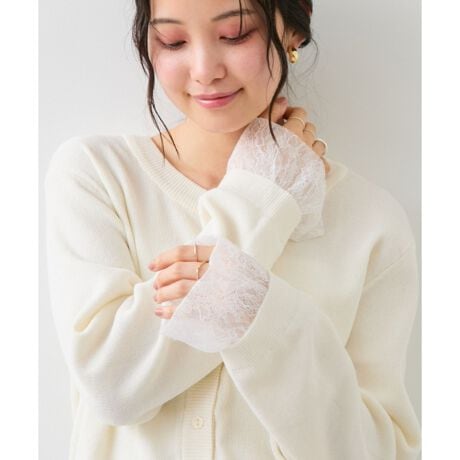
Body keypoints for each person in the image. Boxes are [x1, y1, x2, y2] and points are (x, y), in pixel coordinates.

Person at [44, 0, 421, 459]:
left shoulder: (370, 223)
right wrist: (260, 198)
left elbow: (377, 451)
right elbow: (114, 387)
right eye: (173, 41)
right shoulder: (98, 176)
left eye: (236, 34)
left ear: (293, 33)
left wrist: (263, 319)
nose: (204, 71)